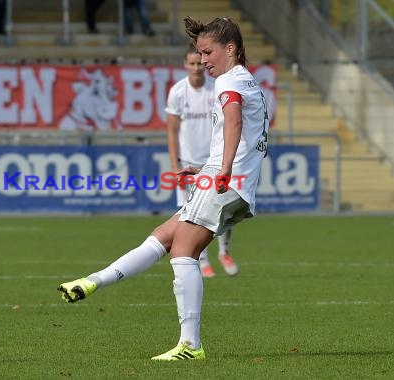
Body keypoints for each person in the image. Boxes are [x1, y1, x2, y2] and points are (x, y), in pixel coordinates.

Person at [59, 16, 269, 361]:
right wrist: (206, 168)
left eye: (208, 52)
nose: (203, 60)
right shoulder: (247, 82)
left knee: (182, 251)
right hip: (227, 179)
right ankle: (92, 281)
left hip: (225, 179)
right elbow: (248, 136)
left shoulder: (229, 82)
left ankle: (190, 345)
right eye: (199, 53)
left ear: (229, 49)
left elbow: (234, 121)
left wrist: (224, 168)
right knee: (164, 235)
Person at [166, 44, 239, 278]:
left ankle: (224, 252)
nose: (197, 67)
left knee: (224, 210)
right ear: (185, 65)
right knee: (192, 215)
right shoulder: (178, 92)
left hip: (213, 162)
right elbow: (171, 131)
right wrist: (175, 164)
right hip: (188, 163)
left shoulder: (216, 88)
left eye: (200, 62)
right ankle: (204, 261)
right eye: (192, 63)